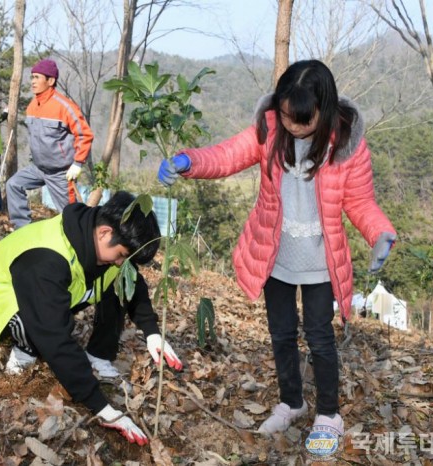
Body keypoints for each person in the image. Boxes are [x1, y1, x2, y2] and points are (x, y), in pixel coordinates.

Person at [157, 60, 397, 437]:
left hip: (320, 259)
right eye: (286, 115)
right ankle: (292, 401)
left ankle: (329, 414)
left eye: (303, 119)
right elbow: (227, 155)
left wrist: (380, 233)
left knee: (319, 338)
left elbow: (361, 202)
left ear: (326, 109)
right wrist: (188, 162)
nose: (293, 126)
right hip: (274, 253)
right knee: (281, 333)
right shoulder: (269, 128)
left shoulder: (346, 143)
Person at [0, 191, 183, 445]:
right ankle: (23, 352)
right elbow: (55, 338)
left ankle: (99, 355)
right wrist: (102, 408)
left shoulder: (98, 241)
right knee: (34, 326)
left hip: (47, 291)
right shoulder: (47, 259)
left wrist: (152, 333)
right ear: (104, 233)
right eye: (122, 254)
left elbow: (133, 284)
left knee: (117, 283)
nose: (122, 262)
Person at [6, 59, 94, 228]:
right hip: (38, 168)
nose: (32, 81)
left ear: (51, 81)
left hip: (60, 173)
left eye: (37, 77)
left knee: (70, 217)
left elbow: (85, 134)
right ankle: (22, 230)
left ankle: (77, 247)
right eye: (32, 77)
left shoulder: (65, 107)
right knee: (13, 184)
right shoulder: (32, 105)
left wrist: (77, 163)